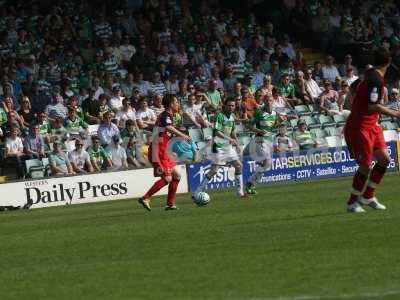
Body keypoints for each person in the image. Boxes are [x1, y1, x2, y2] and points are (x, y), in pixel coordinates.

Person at [344, 47, 400, 213]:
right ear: (389, 62)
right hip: (360, 127)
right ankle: (352, 202)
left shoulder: (368, 74)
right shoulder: (375, 78)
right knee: (366, 166)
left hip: (372, 126)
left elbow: (353, 89)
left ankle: (368, 196)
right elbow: (372, 105)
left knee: (384, 160)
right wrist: (396, 113)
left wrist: (357, 102)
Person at [138, 94, 192, 211]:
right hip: (158, 151)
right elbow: (168, 127)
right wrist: (183, 135)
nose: (178, 104)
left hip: (164, 151)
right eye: (176, 102)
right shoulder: (166, 115)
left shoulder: (167, 116)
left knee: (177, 175)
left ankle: (170, 204)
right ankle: (145, 198)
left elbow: (163, 127)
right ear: (171, 104)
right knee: (167, 178)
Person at [194, 98, 246, 198]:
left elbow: (233, 132)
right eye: (229, 105)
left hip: (227, 147)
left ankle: (240, 192)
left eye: (233, 106)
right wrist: (229, 139)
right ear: (225, 106)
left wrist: (237, 145)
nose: (231, 107)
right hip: (217, 146)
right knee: (214, 170)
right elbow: (216, 131)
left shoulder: (232, 117)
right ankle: (197, 191)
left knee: (239, 165)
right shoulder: (220, 116)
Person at [245, 96, 279, 195]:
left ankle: (251, 184)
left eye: (270, 100)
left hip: (269, 141)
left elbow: (273, 126)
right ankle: (250, 183)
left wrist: (279, 123)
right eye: (267, 100)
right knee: (267, 161)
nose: (269, 102)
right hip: (260, 140)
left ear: (273, 101)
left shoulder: (275, 113)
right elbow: (249, 125)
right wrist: (259, 130)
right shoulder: (260, 113)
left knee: (267, 165)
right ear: (264, 102)